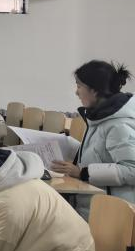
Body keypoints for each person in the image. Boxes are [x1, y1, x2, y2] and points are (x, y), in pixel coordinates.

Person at [52, 60, 135, 206]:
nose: (76, 92)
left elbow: (131, 170)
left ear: (94, 90)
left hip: (110, 211)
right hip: (94, 204)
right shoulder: (99, 116)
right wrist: (68, 145)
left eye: (79, 86)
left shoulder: (118, 124)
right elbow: (100, 154)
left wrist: (83, 173)